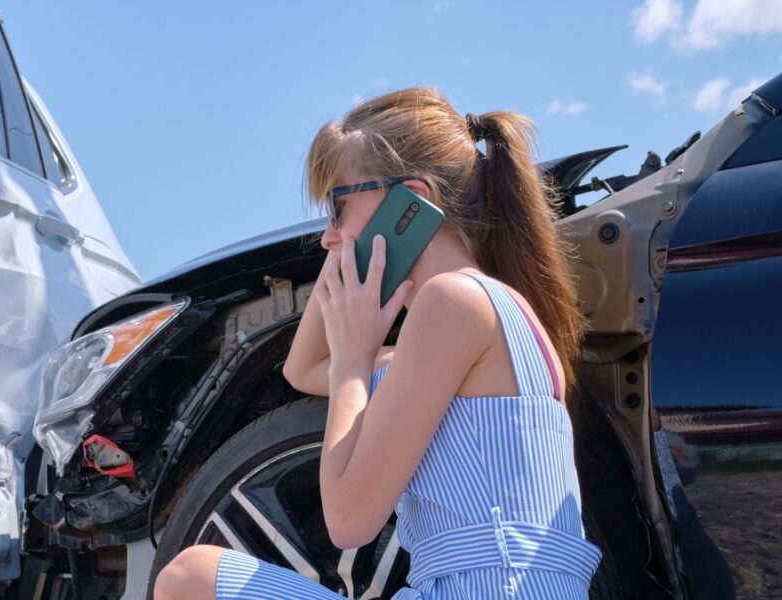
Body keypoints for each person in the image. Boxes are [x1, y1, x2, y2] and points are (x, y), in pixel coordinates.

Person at [153, 88, 602, 599]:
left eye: (337, 206)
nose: (326, 236)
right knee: (193, 574)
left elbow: (348, 521)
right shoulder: (498, 316)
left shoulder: (453, 301)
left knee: (190, 578)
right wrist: (350, 244)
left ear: (410, 204)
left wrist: (353, 360)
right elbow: (303, 368)